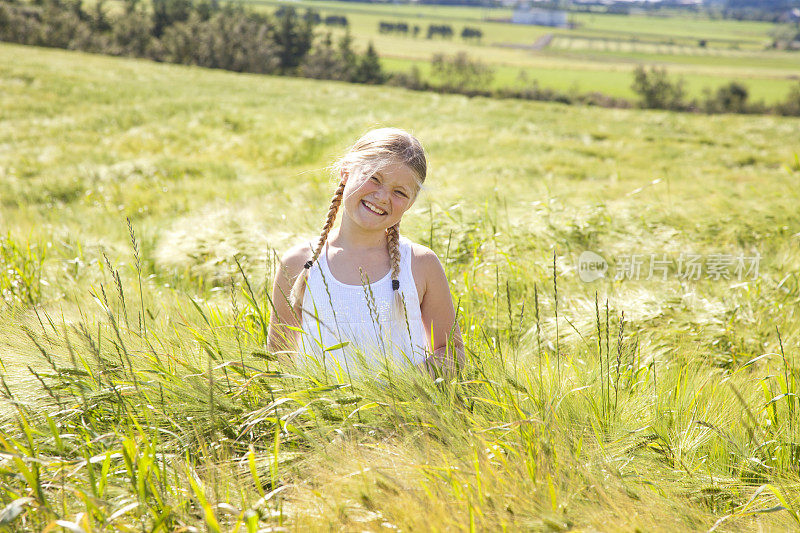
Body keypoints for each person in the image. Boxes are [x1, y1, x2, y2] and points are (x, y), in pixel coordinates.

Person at [267, 127, 463, 376]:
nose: (382, 197)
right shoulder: (299, 264)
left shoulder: (420, 264)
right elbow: (278, 361)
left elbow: (451, 352)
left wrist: (403, 391)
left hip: (404, 413)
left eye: (400, 192)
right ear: (346, 173)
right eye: (374, 178)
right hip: (318, 413)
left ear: (411, 203)